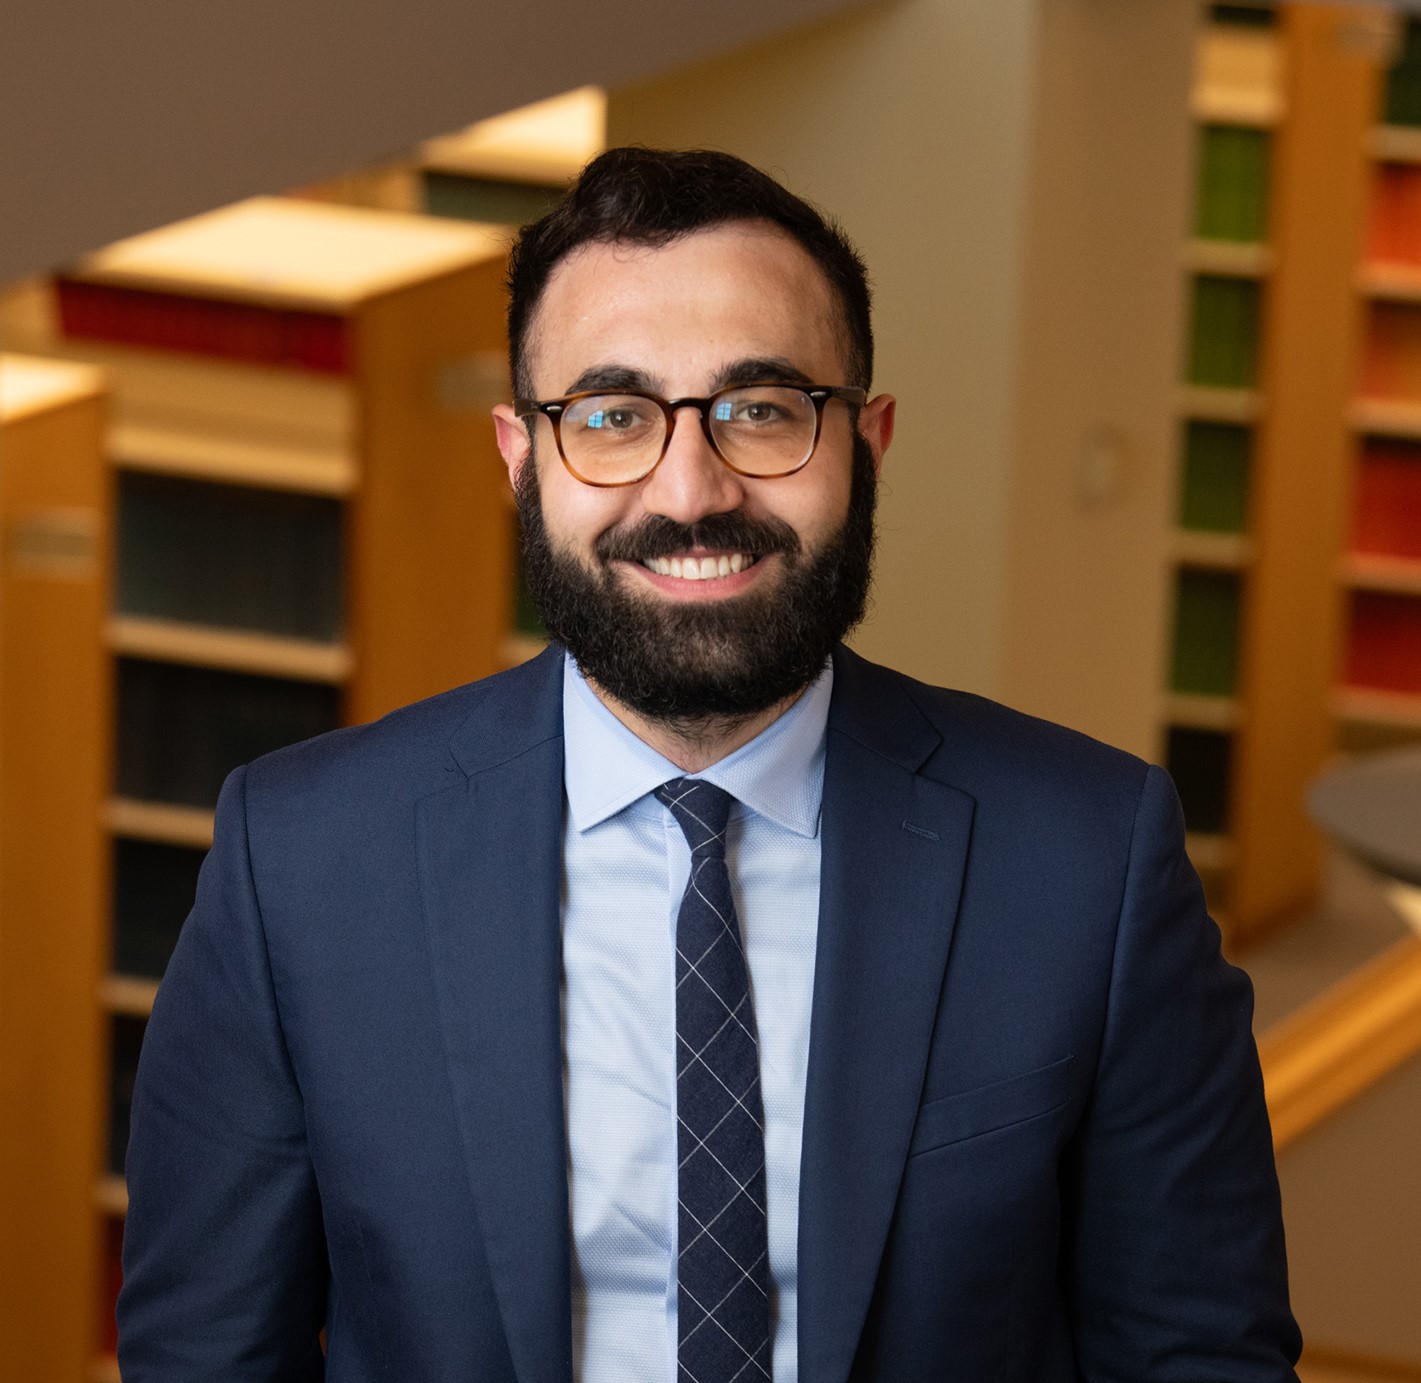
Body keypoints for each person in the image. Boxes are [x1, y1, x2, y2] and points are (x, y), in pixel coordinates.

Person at [118, 147, 1301, 1381]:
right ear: (522, 458)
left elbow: (1196, 1353)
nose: (689, 490)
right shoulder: (300, 862)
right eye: (612, 417)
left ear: (869, 443)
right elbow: (206, 1355)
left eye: (762, 410)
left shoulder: (1087, 858)